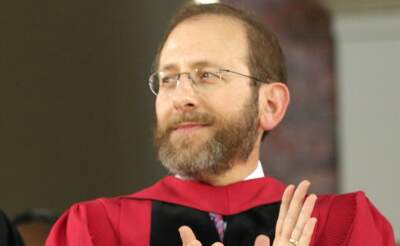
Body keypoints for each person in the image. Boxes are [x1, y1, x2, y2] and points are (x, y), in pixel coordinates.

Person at [46, 3, 396, 246]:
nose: (181, 96)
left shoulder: (341, 229)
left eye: (206, 75)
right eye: (168, 80)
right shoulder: (99, 232)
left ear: (270, 104)